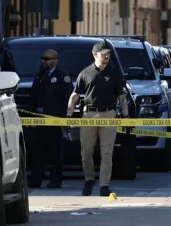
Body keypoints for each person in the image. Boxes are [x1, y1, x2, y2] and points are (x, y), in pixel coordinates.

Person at [68, 41, 128, 197]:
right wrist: (68, 115)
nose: (107, 56)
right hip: (89, 115)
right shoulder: (85, 73)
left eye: (108, 54)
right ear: (95, 55)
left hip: (109, 114)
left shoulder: (114, 73)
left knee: (107, 152)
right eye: (103, 54)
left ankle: (104, 185)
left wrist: (126, 115)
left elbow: (121, 96)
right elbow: (75, 95)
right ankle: (89, 180)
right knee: (86, 152)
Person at [28, 49, 73, 189]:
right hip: (39, 120)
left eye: (47, 59)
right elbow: (33, 98)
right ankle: (36, 180)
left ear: (55, 60)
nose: (43, 61)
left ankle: (55, 181)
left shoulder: (62, 77)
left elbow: (67, 99)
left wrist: (65, 120)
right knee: (38, 153)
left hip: (54, 121)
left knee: (55, 153)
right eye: (42, 58)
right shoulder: (40, 76)